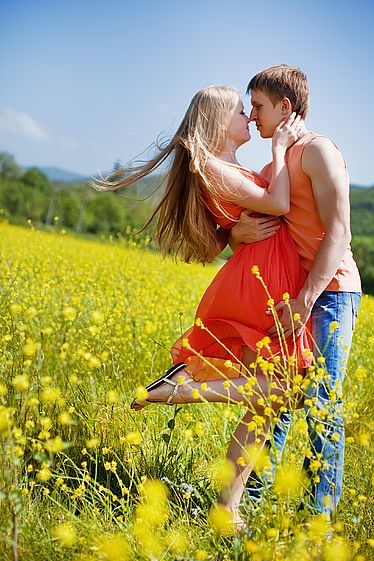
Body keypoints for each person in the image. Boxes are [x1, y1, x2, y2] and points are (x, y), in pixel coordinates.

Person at [93, 85, 310, 531]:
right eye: (239, 111)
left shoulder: (224, 164)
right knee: (278, 391)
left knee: (267, 403)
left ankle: (227, 508)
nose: (248, 118)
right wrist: (282, 145)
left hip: (266, 274)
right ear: (215, 121)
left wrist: (233, 234)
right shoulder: (210, 164)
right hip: (259, 282)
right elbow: (279, 204)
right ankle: (173, 391)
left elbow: (246, 213)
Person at [229, 65, 362, 519]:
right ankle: (256, 504)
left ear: (286, 107)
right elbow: (261, 217)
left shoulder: (319, 151)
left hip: (330, 293)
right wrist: (236, 235)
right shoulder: (277, 162)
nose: (251, 115)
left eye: (259, 106)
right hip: (293, 298)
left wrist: (306, 299)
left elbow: (340, 231)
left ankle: (317, 521)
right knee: (277, 399)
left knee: (321, 403)